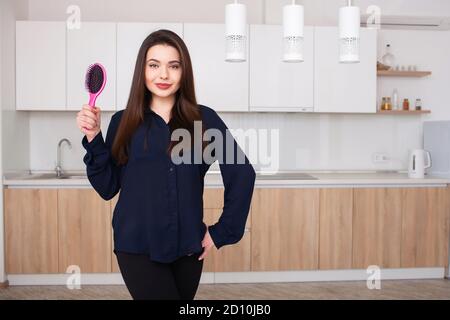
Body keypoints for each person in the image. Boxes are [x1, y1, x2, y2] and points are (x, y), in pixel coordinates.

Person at [76, 29, 255, 300]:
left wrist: (221, 232)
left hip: (188, 249)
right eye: (154, 65)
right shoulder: (123, 122)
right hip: (137, 246)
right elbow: (107, 186)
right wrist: (93, 137)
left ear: (184, 72)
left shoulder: (204, 120)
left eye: (173, 66)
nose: (163, 75)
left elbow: (242, 173)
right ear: (142, 70)